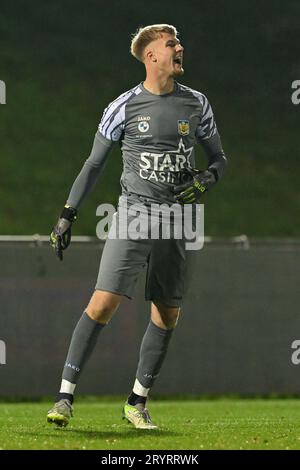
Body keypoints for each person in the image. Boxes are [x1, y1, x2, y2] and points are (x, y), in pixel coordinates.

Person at [47, 24, 227, 430]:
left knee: (167, 313)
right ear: (151, 56)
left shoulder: (197, 104)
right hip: (133, 213)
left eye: (178, 42)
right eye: (171, 44)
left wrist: (207, 179)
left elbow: (219, 159)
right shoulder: (123, 106)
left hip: (179, 219)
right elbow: (94, 164)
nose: (179, 48)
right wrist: (68, 213)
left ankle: (136, 402)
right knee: (102, 302)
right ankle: (64, 397)